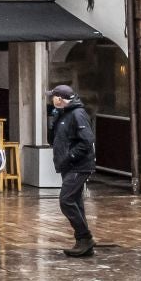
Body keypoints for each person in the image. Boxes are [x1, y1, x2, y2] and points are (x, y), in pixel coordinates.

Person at [48, 84, 97, 257]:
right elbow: (53, 138)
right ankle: (83, 242)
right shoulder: (63, 114)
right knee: (75, 201)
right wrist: (53, 121)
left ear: (60, 99)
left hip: (79, 166)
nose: (51, 99)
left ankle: (85, 237)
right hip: (69, 166)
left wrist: (70, 157)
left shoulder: (78, 114)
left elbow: (87, 141)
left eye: (53, 96)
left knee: (66, 200)